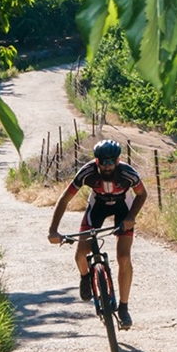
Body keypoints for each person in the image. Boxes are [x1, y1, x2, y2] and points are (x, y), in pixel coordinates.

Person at [48, 139, 147, 329]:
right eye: (103, 162)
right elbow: (64, 199)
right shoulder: (87, 172)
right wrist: (53, 230)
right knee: (80, 253)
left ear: (118, 160)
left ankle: (124, 308)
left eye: (112, 162)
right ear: (96, 161)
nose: (107, 166)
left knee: (124, 257)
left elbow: (142, 194)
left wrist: (131, 216)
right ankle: (85, 277)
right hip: (97, 208)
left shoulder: (127, 174)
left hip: (122, 209)